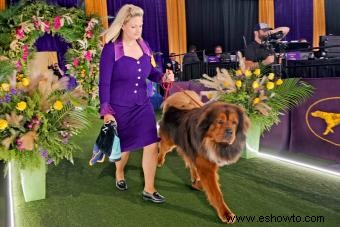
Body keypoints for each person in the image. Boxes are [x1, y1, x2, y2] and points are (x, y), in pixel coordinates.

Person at [99, 4, 173, 203]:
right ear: (123, 25)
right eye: (133, 26)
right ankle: (119, 172)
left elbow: (151, 73)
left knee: (151, 145)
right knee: (124, 149)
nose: (138, 30)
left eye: (140, 26)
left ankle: (149, 189)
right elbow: (104, 82)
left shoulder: (144, 45)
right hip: (120, 107)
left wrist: (164, 77)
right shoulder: (110, 49)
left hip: (142, 105)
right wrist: (106, 110)